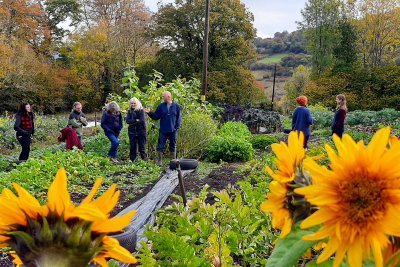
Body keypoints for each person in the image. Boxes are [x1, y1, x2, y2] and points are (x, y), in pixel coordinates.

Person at [144, 91, 181, 166]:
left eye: (163, 96)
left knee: (173, 145)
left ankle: (173, 161)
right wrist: (149, 112)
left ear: (168, 96)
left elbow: (179, 118)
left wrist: (176, 127)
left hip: (173, 130)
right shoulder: (161, 106)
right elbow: (156, 117)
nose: (162, 97)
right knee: (160, 145)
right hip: (163, 130)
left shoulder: (176, 106)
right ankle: (160, 161)